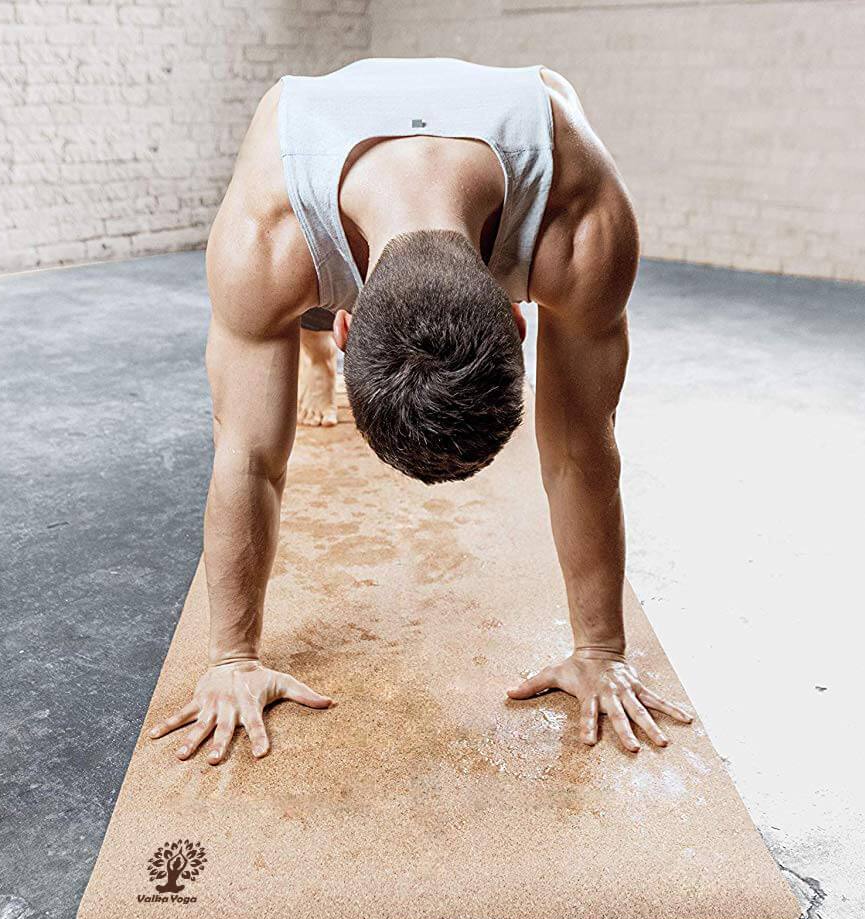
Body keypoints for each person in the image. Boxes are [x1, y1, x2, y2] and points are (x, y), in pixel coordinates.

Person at [149, 57, 693, 766]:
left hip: (513, 137)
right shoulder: (266, 237)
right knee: (266, 341)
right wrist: (229, 660)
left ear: (521, 318)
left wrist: (601, 649)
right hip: (317, 150)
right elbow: (247, 456)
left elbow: (581, 447)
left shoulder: (582, 222)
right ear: (340, 324)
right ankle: (310, 362)